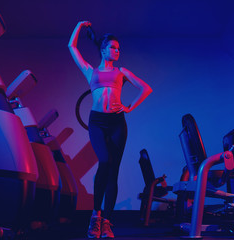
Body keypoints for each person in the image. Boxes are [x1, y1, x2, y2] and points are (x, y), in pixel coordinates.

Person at [68, 21, 152, 239]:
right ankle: (95, 217)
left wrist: (130, 107)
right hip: (97, 122)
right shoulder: (90, 71)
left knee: (113, 171)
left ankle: (106, 222)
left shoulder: (121, 71)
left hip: (117, 123)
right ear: (104, 49)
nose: (117, 51)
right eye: (113, 47)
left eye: (118, 48)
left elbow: (146, 88)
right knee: (104, 161)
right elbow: (72, 47)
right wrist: (78, 26)